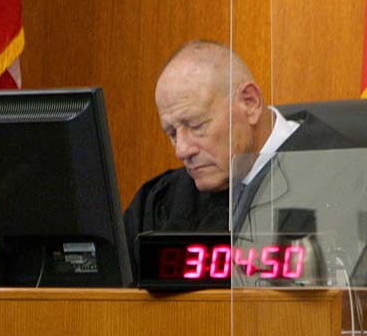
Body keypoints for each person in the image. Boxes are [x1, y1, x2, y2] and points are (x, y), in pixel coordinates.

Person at [122, 40, 354, 243]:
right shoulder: (163, 201)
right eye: (172, 133)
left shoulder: (346, 178)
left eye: (196, 126)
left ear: (250, 103)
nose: (182, 150)